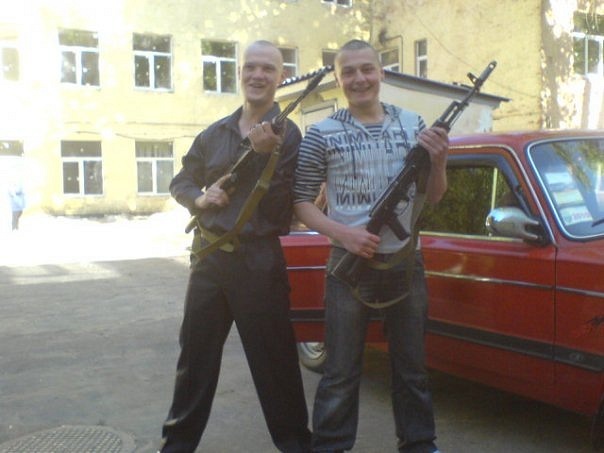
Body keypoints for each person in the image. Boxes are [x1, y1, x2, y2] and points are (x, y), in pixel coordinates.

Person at [293, 39, 449, 453]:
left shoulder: (414, 125)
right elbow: (301, 202)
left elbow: (433, 196)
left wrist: (439, 161)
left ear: (381, 73)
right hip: (347, 266)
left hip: (405, 263)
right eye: (349, 72)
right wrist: (344, 234)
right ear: (338, 78)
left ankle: (419, 444)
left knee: (412, 368)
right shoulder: (320, 134)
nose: (359, 79)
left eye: (367, 69)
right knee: (341, 371)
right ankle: (330, 446)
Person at [160, 40, 311, 453]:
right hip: (209, 259)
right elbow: (181, 181)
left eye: (268, 68)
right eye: (251, 67)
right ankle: (176, 447)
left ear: (281, 77)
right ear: (240, 72)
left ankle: (296, 446)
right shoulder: (215, 133)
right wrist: (199, 198)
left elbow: (281, 209)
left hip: (258, 262)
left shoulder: (288, 136)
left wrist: (264, 156)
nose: (258, 75)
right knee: (194, 363)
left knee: (275, 364)